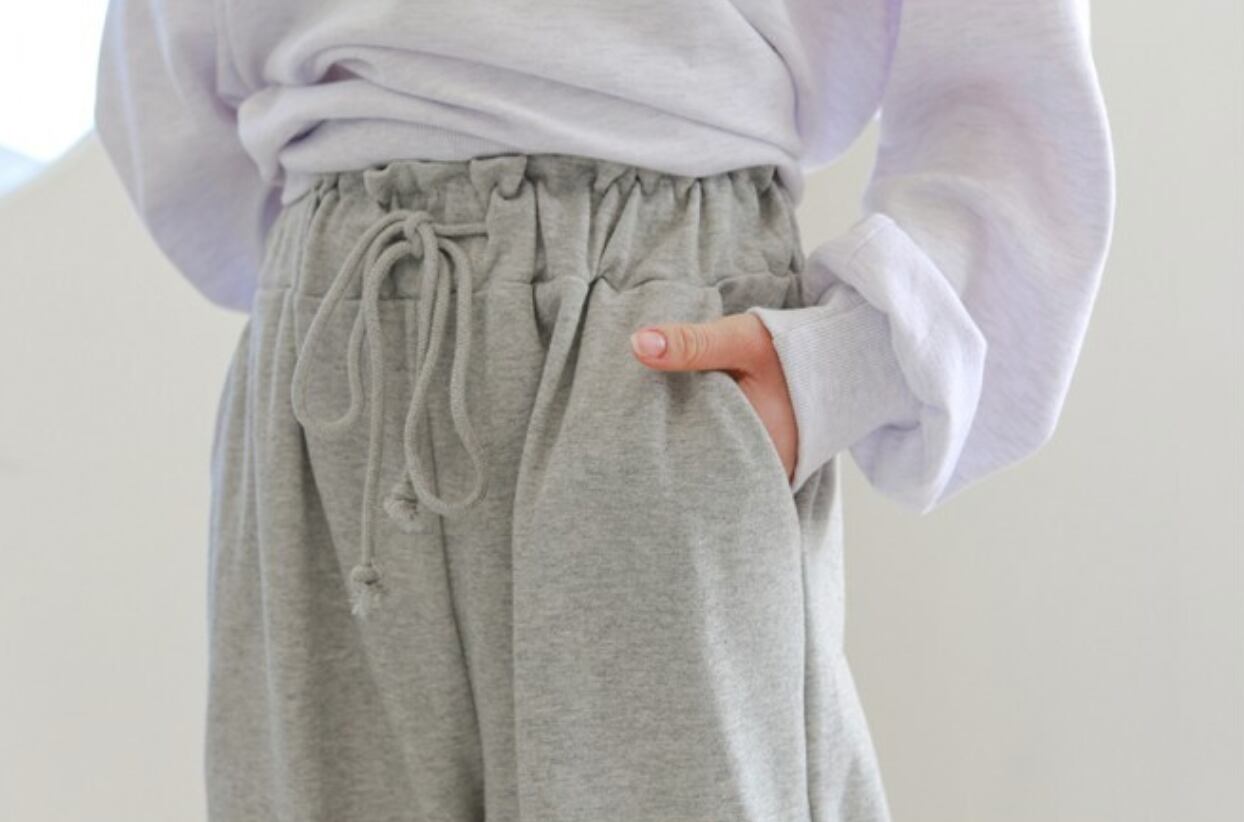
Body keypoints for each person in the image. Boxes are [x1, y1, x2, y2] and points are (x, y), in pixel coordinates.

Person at [93, 1, 1115, 820]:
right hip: (340, 353)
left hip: (652, 339)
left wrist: (854, 359)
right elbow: (162, 87)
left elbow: (1007, 72)